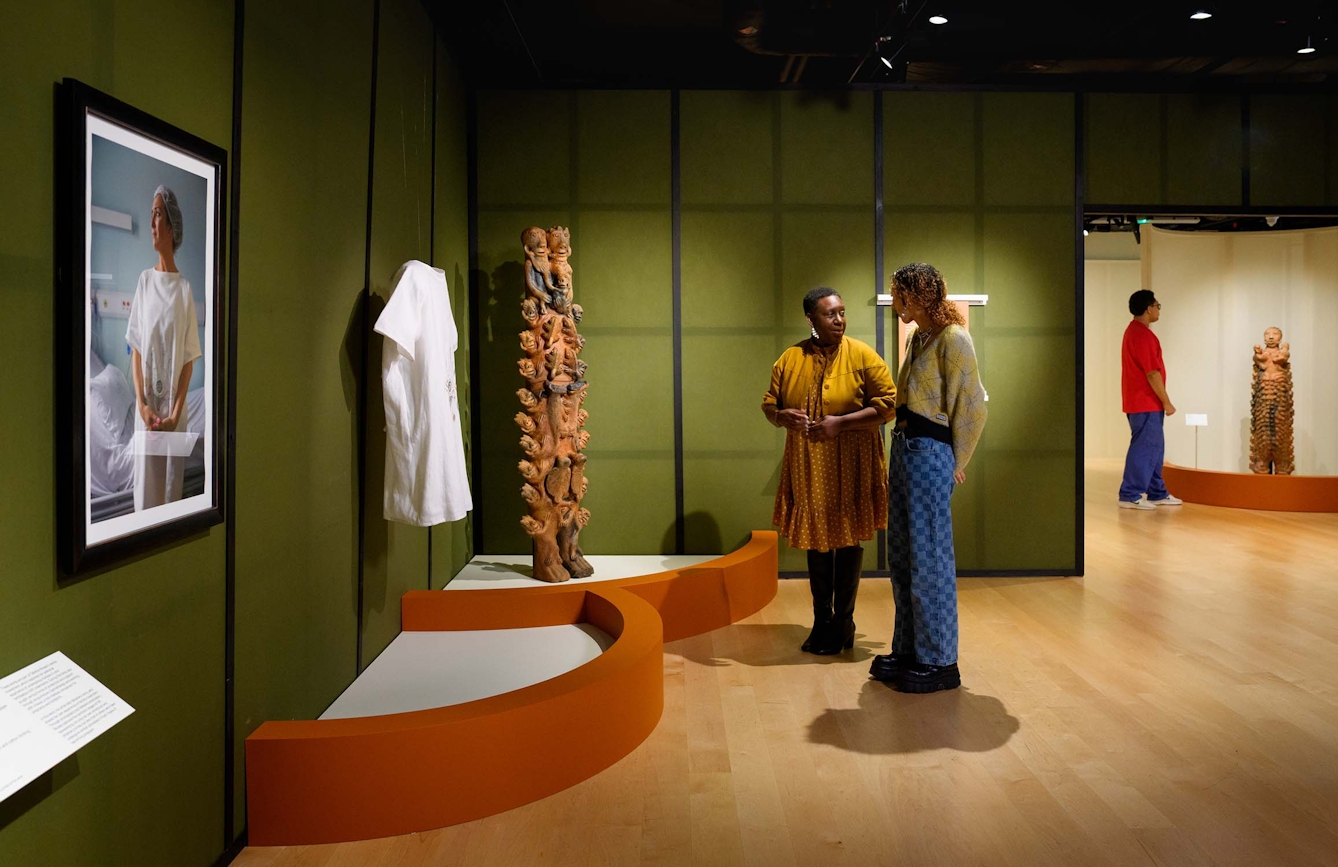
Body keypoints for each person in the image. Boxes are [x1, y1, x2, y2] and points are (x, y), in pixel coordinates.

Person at [870, 263, 986, 694]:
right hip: (905, 448)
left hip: (930, 453)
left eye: (899, 294)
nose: (895, 301)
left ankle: (940, 661)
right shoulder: (921, 337)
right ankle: (908, 649)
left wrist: (958, 459)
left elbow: (972, 406)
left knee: (930, 557)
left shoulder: (954, 340)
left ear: (918, 295)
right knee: (903, 555)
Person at [763, 287, 896, 655]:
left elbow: (888, 405)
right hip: (809, 461)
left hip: (853, 457)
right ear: (811, 320)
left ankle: (844, 622)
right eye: (830, 315)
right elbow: (769, 403)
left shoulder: (862, 355)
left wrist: (842, 423)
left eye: (841, 312)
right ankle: (822, 620)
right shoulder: (790, 358)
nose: (839, 320)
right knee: (818, 539)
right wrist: (780, 416)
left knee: (848, 537)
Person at [126, 185, 202, 511]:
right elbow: (137, 350)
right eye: (151, 214)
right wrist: (142, 405)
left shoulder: (185, 290)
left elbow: (188, 360)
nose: (152, 222)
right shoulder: (144, 282)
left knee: (170, 502)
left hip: (174, 416)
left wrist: (174, 415)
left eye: (157, 214)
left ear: (171, 227)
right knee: (147, 499)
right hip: (148, 414)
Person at [1118, 289, 1182, 509]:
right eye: (1157, 305)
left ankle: (1156, 492)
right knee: (1144, 448)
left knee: (1154, 448)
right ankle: (1130, 494)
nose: (1158, 309)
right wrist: (1167, 401)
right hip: (1144, 402)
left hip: (1145, 402)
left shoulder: (1135, 331)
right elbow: (1152, 373)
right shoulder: (1141, 335)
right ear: (1148, 309)